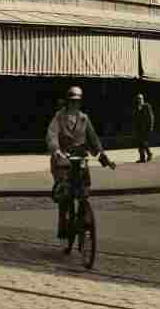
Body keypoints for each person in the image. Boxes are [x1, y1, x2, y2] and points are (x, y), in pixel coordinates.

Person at [46, 86, 116, 240]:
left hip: (79, 158)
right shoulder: (59, 117)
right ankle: (63, 223)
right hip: (63, 159)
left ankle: (84, 217)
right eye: (72, 102)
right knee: (64, 192)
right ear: (67, 102)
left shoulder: (84, 118)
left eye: (77, 102)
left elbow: (93, 140)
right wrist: (56, 150)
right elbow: (51, 135)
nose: (74, 105)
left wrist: (103, 157)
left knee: (84, 188)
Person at [132, 92, 155, 163]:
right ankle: (142, 158)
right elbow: (135, 118)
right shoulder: (136, 107)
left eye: (140, 98)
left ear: (143, 99)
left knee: (143, 142)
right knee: (140, 143)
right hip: (139, 129)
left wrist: (150, 127)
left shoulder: (147, 106)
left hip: (146, 128)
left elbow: (151, 117)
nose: (139, 100)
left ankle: (149, 154)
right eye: (138, 99)